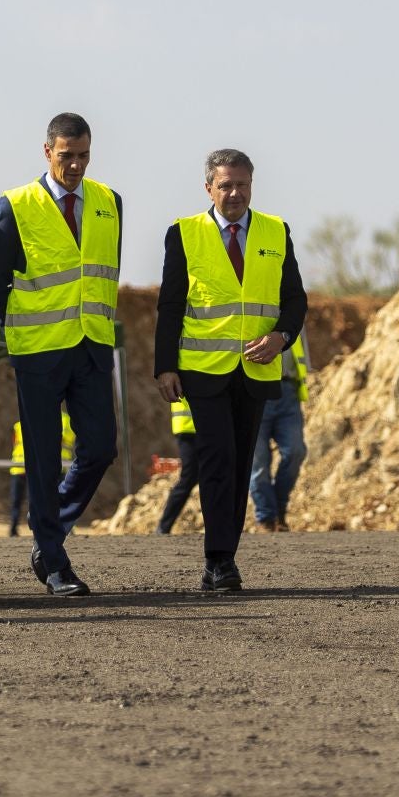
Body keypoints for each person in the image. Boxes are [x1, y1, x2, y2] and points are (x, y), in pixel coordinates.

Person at [153, 148, 307, 591]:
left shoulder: (276, 231)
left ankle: (224, 557)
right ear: (209, 188)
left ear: (251, 185)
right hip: (203, 371)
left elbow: (295, 299)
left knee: (239, 465)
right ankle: (219, 559)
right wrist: (165, 366)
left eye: (242, 184)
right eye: (226, 185)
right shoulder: (184, 233)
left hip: (256, 371)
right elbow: (170, 304)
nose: (235, 193)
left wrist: (281, 337)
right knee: (217, 459)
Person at [0, 111, 121, 596]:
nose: (76, 165)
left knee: (100, 448)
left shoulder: (109, 202)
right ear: (47, 152)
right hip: (38, 353)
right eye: (67, 156)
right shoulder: (15, 205)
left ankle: (49, 528)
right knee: (43, 459)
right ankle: (56, 562)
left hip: (92, 347)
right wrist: (22, 330)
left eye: (84, 155)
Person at [247, 336, 310, 532]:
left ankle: (278, 508)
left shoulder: (295, 317)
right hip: (254, 389)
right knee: (258, 462)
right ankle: (267, 517)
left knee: (295, 451)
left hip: (287, 390)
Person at [6, 411, 74, 538]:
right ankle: (14, 529)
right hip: (19, 467)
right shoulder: (20, 424)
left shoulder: (63, 420)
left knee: (53, 498)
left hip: (54, 465)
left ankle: (64, 526)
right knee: (18, 500)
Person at [154, 398, 200, 534]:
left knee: (212, 476)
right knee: (189, 477)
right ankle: (163, 527)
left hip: (202, 427)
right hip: (187, 429)